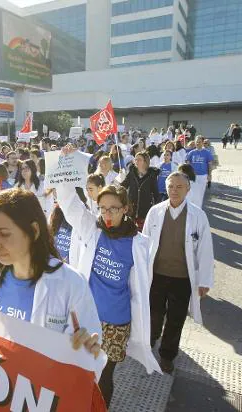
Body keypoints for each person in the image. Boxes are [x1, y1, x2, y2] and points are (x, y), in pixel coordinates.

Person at [0, 189, 107, 404]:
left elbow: (90, 358)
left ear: (33, 231)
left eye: (4, 233)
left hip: (40, 398)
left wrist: (89, 350)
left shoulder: (70, 284)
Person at [58, 149, 160, 407]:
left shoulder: (139, 244)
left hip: (116, 323)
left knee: (104, 376)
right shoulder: (93, 231)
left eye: (113, 209)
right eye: (103, 209)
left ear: (125, 208)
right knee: (80, 370)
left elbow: (141, 286)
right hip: (86, 318)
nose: (107, 215)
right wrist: (67, 163)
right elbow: (69, 204)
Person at [143, 172, 214, 373]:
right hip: (156, 275)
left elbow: (205, 250)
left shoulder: (198, 216)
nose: (174, 190)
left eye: (179, 187)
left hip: (182, 278)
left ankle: (167, 355)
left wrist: (204, 280)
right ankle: (148, 342)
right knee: (153, 314)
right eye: (171, 186)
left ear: (188, 189)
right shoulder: (155, 212)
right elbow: (145, 243)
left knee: (176, 318)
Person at [120, 151, 160, 230]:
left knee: (142, 231)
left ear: (145, 161)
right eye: (136, 159)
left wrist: (157, 208)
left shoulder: (152, 175)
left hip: (144, 208)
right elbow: (124, 185)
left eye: (139, 159)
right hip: (131, 208)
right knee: (128, 230)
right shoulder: (132, 172)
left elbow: (155, 193)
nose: (136, 161)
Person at [185, 136, 214, 207]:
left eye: (199, 142)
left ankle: (198, 209)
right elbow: (187, 164)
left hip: (202, 176)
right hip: (192, 176)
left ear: (202, 143)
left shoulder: (207, 153)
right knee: (192, 193)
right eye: (196, 141)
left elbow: (210, 165)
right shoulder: (191, 153)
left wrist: (209, 175)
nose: (198, 143)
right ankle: (191, 208)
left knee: (200, 194)